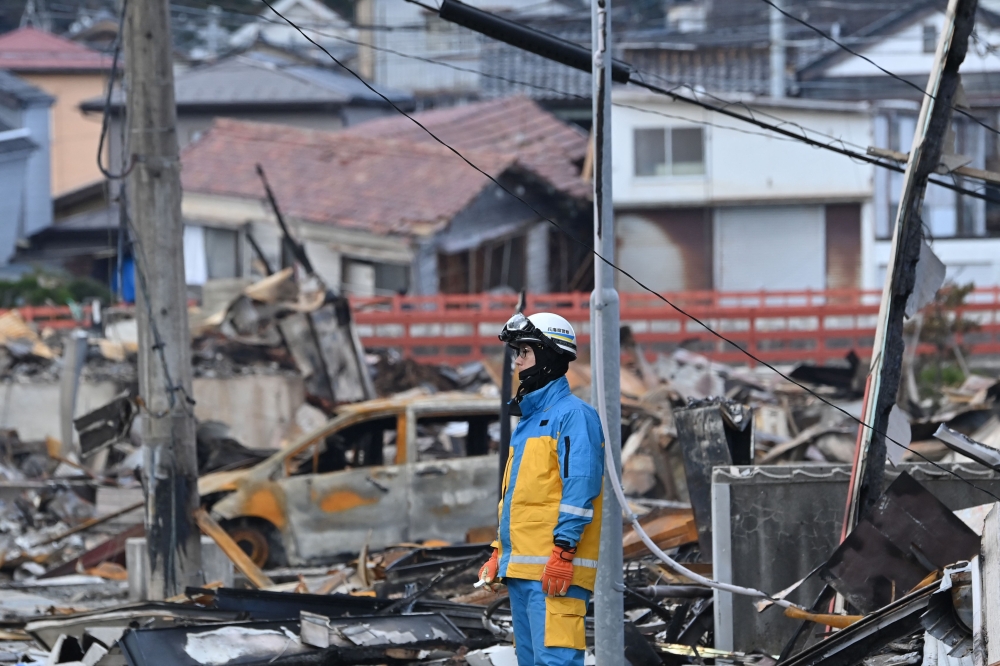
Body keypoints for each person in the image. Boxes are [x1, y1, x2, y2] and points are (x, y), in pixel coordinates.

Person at [478, 312, 605, 666]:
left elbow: (581, 490)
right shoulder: (530, 421)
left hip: (554, 571)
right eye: (516, 351)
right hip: (524, 573)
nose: (517, 360)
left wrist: (564, 553)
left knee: (556, 663)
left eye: (525, 351)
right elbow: (521, 502)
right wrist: (498, 552)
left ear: (549, 356)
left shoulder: (574, 416)